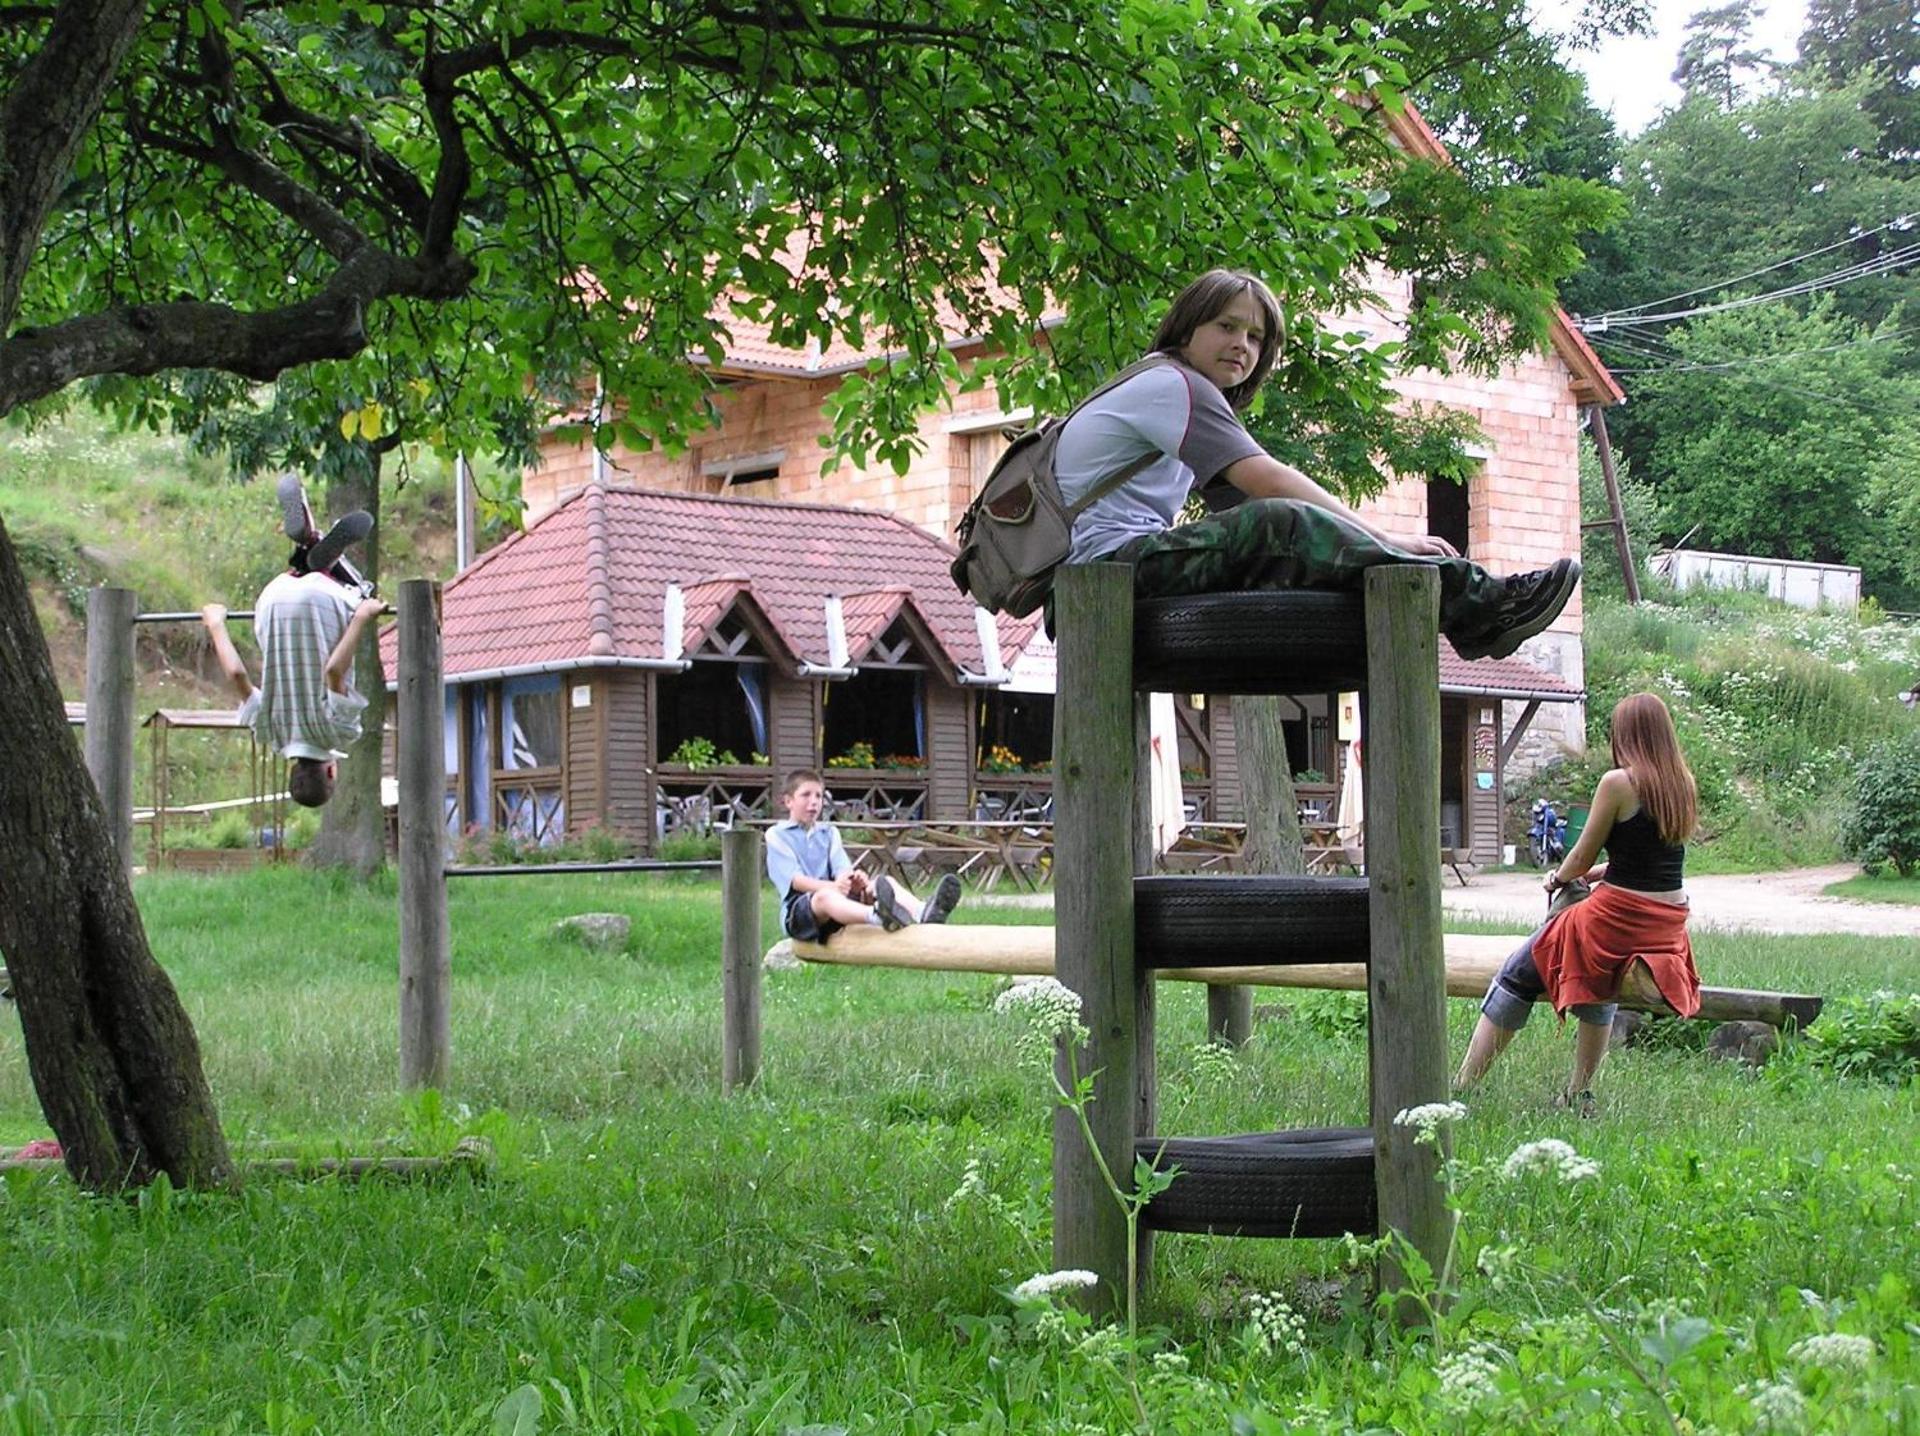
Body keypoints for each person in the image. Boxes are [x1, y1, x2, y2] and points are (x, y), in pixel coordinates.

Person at [1055, 268, 1580, 659]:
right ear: (1187, 329)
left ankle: (1462, 607)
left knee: (1284, 535)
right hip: (1107, 573)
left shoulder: (1166, 388)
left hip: (1110, 572)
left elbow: (1239, 505)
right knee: (1282, 523)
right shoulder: (1174, 385)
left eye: (1256, 336)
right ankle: (1479, 603)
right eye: (1226, 326)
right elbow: (1269, 486)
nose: (1242, 344)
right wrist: (1388, 540)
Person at [1453, 692, 1704, 1110]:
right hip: (1666, 923)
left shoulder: (1620, 782)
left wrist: (1559, 877)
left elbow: (1581, 854)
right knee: (1597, 979)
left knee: (1517, 972)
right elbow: (1651, 864)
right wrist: (1593, 875)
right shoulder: (1682, 784)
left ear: (1626, 736)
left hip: (1621, 919)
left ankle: (1463, 1085)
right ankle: (1579, 1093)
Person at [200, 476, 384, 808]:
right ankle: (309, 546)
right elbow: (238, 677)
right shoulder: (267, 733)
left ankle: (317, 552)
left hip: (322, 602)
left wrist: (361, 618)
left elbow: (333, 674)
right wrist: (216, 626)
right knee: (314, 571)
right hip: (273, 600)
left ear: (330, 774)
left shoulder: (339, 733)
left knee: (364, 592)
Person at [767, 769, 963, 941]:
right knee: (824, 897)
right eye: (806, 795)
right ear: (788, 801)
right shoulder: (776, 835)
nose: (814, 802)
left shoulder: (829, 832)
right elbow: (796, 880)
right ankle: (878, 916)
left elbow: (841, 868)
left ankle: (923, 913)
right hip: (802, 913)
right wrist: (834, 886)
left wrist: (853, 879)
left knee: (880, 881)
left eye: (818, 796)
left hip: (839, 903)